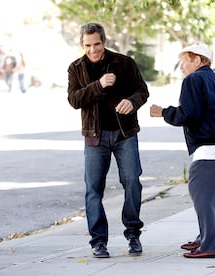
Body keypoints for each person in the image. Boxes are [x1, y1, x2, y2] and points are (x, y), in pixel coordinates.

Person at [150, 44, 215, 258]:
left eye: (185, 60)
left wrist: (163, 112)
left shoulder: (194, 80)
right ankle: (204, 238)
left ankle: (211, 245)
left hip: (210, 148)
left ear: (198, 60)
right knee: (210, 198)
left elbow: (189, 115)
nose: (181, 66)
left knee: (201, 195)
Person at [67, 23, 149, 258]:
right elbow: (74, 100)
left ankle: (133, 233)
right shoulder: (76, 68)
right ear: (82, 44)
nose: (93, 50)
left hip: (125, 134)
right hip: (95, 136)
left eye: (97, 44)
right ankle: (98, 241)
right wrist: (99, 85)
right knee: (93, 189)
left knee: (133, 181)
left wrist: (133, 102)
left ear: (104, 41)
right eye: (87, 45)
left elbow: (142, 90)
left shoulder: (124, 63)